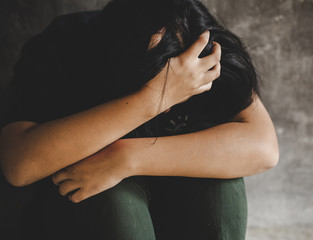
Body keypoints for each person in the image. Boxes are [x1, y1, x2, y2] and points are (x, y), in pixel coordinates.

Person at [0, 0, 279, 239]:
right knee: (113, 202)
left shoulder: (200, 47)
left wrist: (125, 157)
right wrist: (155, 97)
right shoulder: (67, 44)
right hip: (88, 210)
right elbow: (19, 166)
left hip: (173, 205)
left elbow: (263, 148)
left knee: (221, 187)